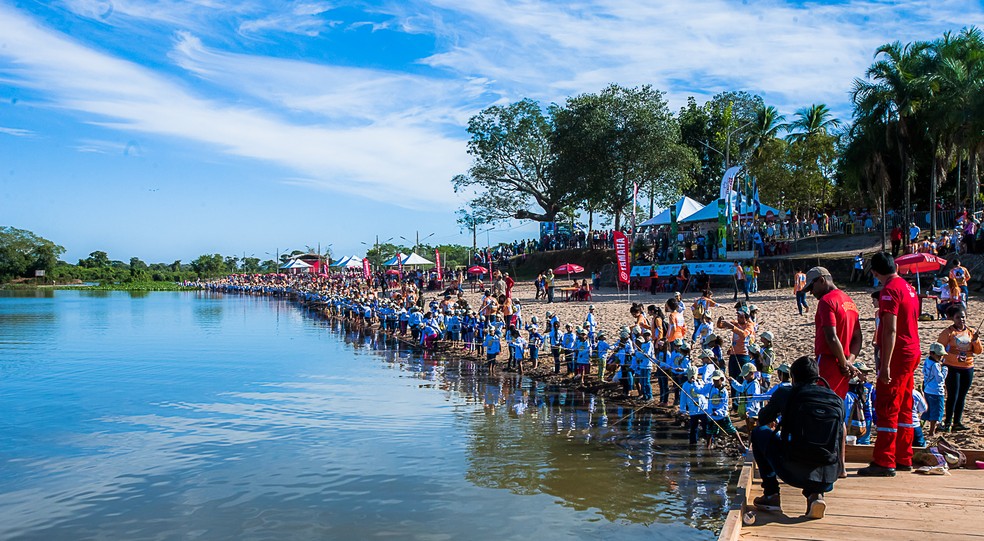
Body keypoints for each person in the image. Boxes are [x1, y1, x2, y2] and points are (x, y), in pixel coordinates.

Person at [751, 356, 844, 520]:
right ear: (817, 377)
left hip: (793, 471)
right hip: (828, 477)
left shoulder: (786, 393)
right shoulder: (835, 399)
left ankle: (771, 494)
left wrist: (778, 410)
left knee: (759, 433)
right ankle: (816, 495)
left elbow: (763, 419)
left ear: (793, 378)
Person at [860, 251, 921, 477]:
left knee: (887, 404)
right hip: (912, 350)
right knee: (905, 403)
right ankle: (903, 456)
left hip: (898, 353)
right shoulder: (909, 288)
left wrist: (884, 364)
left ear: (876, 272)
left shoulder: (890, 291)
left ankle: (885, 460)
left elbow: (890, 329)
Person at [804, 266, 861, 399]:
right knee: (836, 404)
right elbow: (857, 338)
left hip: (829, 361)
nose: (811, 293)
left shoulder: (826, 301)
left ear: (822, 280)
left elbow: (831, 337)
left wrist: (844, 363)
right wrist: (849, 362)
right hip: (844, 367)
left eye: (812, 287)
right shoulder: (849, 301)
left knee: (822, 404)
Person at [937, 304, 981, 432]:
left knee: (962, 396)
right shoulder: (948, 332)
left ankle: (957, 422)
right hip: (951, 367)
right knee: (952, 395)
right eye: (958, 317)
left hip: (967, 367)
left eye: (963, 317)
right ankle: (947, 422)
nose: (961, 320)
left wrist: (975, 341)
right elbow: (939, 348)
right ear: (953, 318)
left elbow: (978, 351)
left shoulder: (971, 332)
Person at [922, 342, 947, 437]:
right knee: (936, 411)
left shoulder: (927, 361)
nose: (940, 357)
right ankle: (931, 431)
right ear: (932, 353)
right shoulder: (936, 365)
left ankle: (922, 426)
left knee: (928, 409)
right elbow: (940, 378)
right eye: (939, 355)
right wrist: (945, 370)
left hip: (927, 388)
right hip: (936, 391)